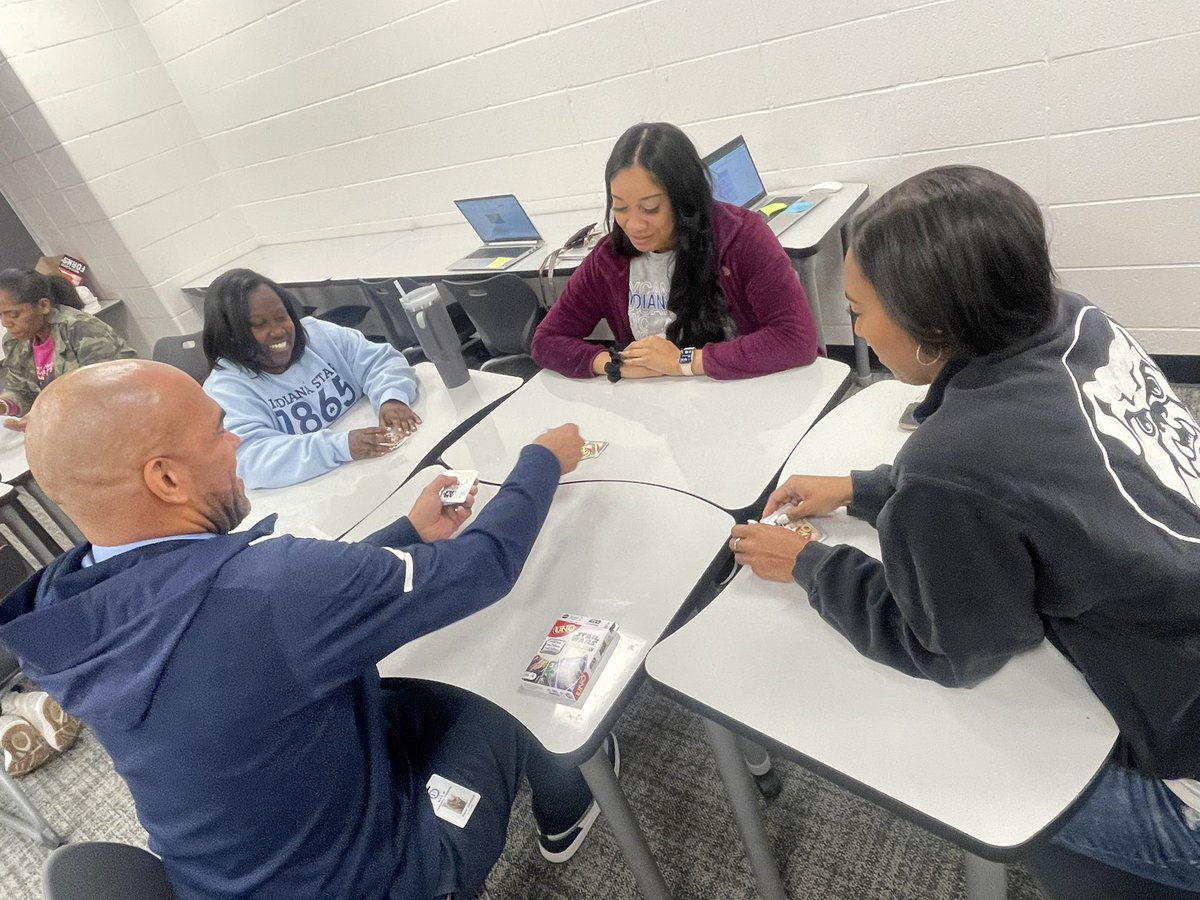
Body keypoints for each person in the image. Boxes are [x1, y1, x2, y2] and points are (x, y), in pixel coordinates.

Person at [729, 165, 1200, 891]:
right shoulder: (1075, 317)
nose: (852, 329)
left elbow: (950, 648)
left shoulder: (950, 465)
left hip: (1186, 783)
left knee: (987, 793)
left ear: (933, 329)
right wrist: (867, 490)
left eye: (857, 310)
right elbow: (1040, 484)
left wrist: (810, 566)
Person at [0, 359, 614, 900]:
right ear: (166, 479)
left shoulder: (68, 597)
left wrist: (405, 537)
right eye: (218, 430)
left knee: (418, 677)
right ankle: (567, 807)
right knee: (503, 687)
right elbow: (480, 570)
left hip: (237, 871)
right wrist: (541, 461)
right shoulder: (268, 585)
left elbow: (271, 619)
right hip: (383, 879)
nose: (236, 440)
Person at [531, 122, 819, 380]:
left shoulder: (742, 236)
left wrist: (683, 361)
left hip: (750, 395)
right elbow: (547, 339)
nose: (634, 224)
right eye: (620, 207)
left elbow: (795, 338)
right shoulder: (609, 259)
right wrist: (611, 363)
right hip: (665, 411)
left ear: (684, 199)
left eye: (650, 208)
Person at [202, 268, 422, 489]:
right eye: (259, 324)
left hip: (386, 469)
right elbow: (251, 460)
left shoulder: (318, 335)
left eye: (281, 317)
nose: (278, 331)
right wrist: (340, 447)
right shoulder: (224, 390)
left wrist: (391, 398)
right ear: (230, 334)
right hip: (316, 496)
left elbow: (382, 361)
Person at [0, 266, 136, 428]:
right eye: (0, 315)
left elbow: (105, 389)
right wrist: (5, 404)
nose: (5, 323)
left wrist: (47, 411)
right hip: (71, 426)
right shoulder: (15, 342)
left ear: (43, 306)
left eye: (14, 314)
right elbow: (22, 391)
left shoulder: (81, 329)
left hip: (121, 418)